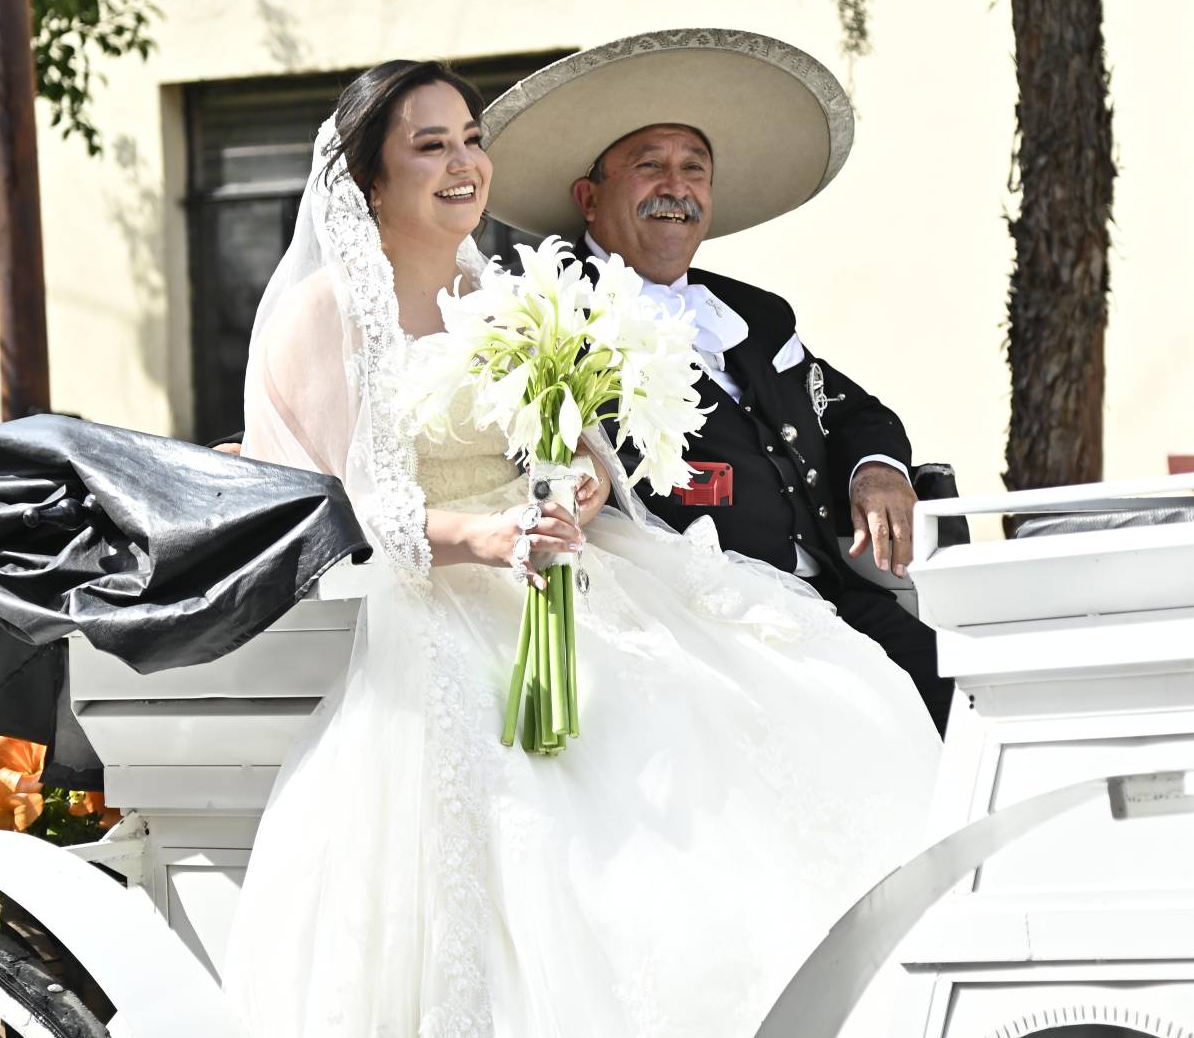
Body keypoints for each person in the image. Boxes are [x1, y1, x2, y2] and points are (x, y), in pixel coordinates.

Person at [217, 59, 939, 1037]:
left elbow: (564, 440)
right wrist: (486, 535)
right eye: (430, 146)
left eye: (471, 139)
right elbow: (353, 511)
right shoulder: (327, 312)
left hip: (557, 565)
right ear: (370, 180)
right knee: (585, 810)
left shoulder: (494, 291)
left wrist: (584, 479)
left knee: (811, 694)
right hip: (434, 597)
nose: (463, 162)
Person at [479, 29, 953, 727]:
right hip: (700, 629)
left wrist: (876, 471)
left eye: (694, 169)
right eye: (650, 165)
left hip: (834, 600)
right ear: (589, 197)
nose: (676, 187)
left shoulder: (755, 313)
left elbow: (852, 410)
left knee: (971, 699)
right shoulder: (551, 315)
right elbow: (544, 469)